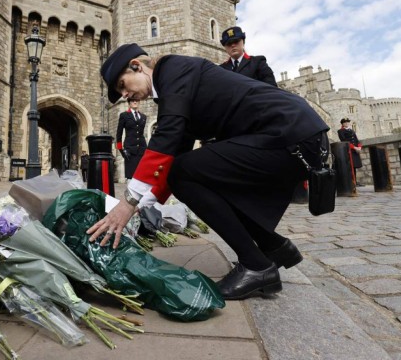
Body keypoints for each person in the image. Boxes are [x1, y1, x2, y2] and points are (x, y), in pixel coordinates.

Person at [86, 43, 330, 301]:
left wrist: (128, 202)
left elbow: (167, 137)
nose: (125, 94)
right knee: (193, 172)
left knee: (186, 173)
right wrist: (142, 205)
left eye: (123, 85)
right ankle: (274, 247)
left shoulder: (172, 70)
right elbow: (177, 150)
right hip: (291, 138)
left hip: (291, 137)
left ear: (136, 66)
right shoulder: (174, 83)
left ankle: (257, 267)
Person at [116, 98, 147, 179]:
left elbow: (141, 134)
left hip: (142, 149)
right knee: (131, 176)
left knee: (141, 175)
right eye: (133, 101)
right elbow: (119, 133)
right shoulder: (124, 115)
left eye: (136, 100)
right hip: (130, 149)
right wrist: (121, 150)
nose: (135, 102)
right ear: (129, 103)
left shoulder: (143, 117)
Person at [337, 118, 363, 186]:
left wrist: (359, 147)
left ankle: (354, 180)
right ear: (342, 124)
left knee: (354, 166)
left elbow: (357, 140)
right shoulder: (340, 131)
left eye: (347, 122)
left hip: (355, 151)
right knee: (349, 166)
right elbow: (344, 141)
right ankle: (351, 181)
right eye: (345, 122)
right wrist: (354, 147)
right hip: (348, 150)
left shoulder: (352, 130)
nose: (346, 123)